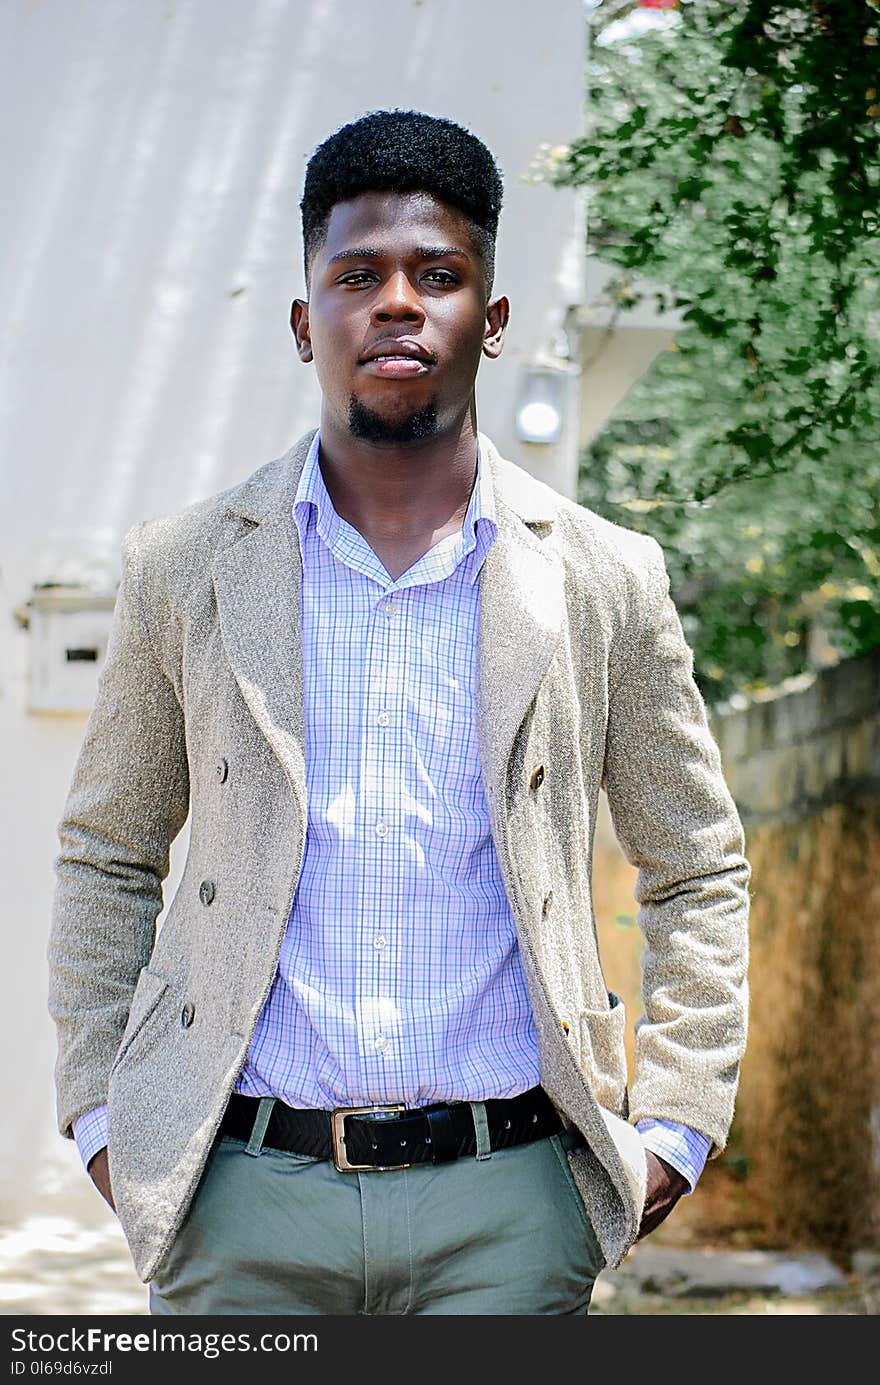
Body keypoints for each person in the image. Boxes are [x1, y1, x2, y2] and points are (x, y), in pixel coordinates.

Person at [48, 109, 750, 1316]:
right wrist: (107, 1117)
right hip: (243, 1197)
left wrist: (675, 1126)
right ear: (303, 318)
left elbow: (694, 865)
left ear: (491, 316)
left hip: (510, 1202)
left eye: (438, 275)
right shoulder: (186, 568)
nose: (396, 303)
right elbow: (106, 848)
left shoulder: (600, 575)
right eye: (356, 275)